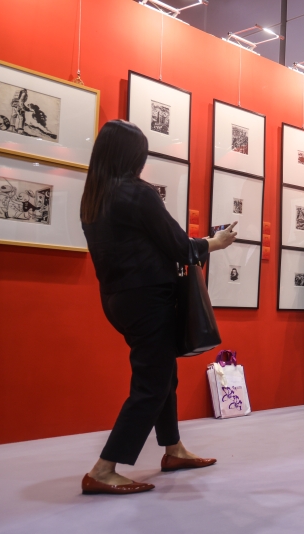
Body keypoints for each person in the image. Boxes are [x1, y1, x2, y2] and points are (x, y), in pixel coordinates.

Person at [80, 120, 237, 495]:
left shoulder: (95, 198)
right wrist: (214, 243)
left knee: (164, 375)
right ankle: (103, 469)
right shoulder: (138, 193)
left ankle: (174, 449)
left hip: (119, 300)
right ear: (134, 155)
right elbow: (179, 246)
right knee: (151, 384)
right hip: (148, 299)